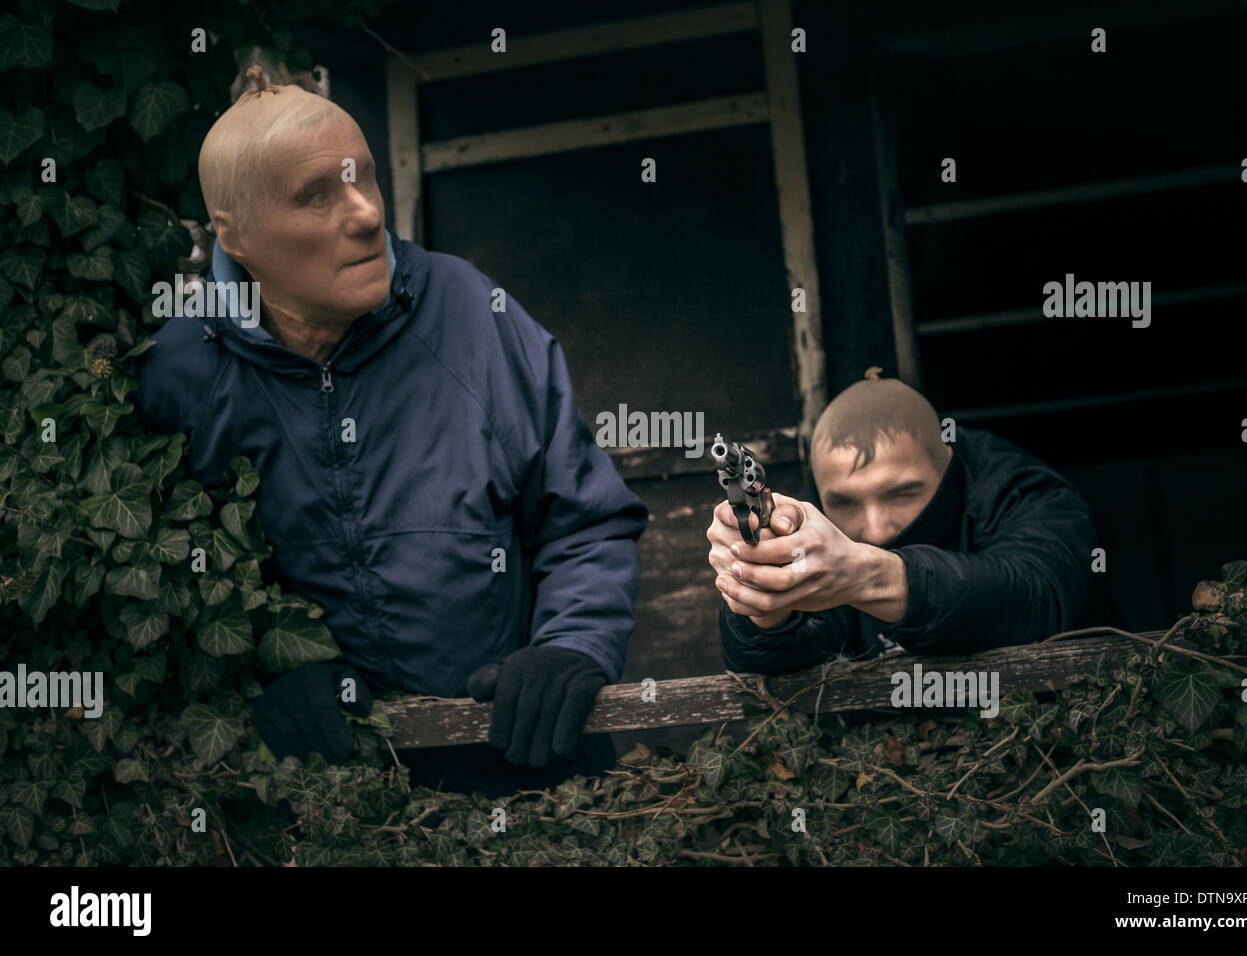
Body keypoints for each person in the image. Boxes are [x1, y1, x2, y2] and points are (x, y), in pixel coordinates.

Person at [136, 69, 648, 796]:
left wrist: (571, 647)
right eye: (319, 195)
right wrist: (257, 679)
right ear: (235, 234)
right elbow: (174, 594)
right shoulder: (180, 372)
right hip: (331, 810)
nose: (368, 214)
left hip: (539, 779)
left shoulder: (474, 313)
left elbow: (585, 520)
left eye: (364, 179)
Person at [709, 367, 1113, 673]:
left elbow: (1037, 598)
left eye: (901, 493)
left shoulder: (1021, 491)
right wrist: (767, 606)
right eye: (846, 502)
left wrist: (866, 576)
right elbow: (775, 666)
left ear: (950, 471)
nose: (877, 527)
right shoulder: (811, 514)